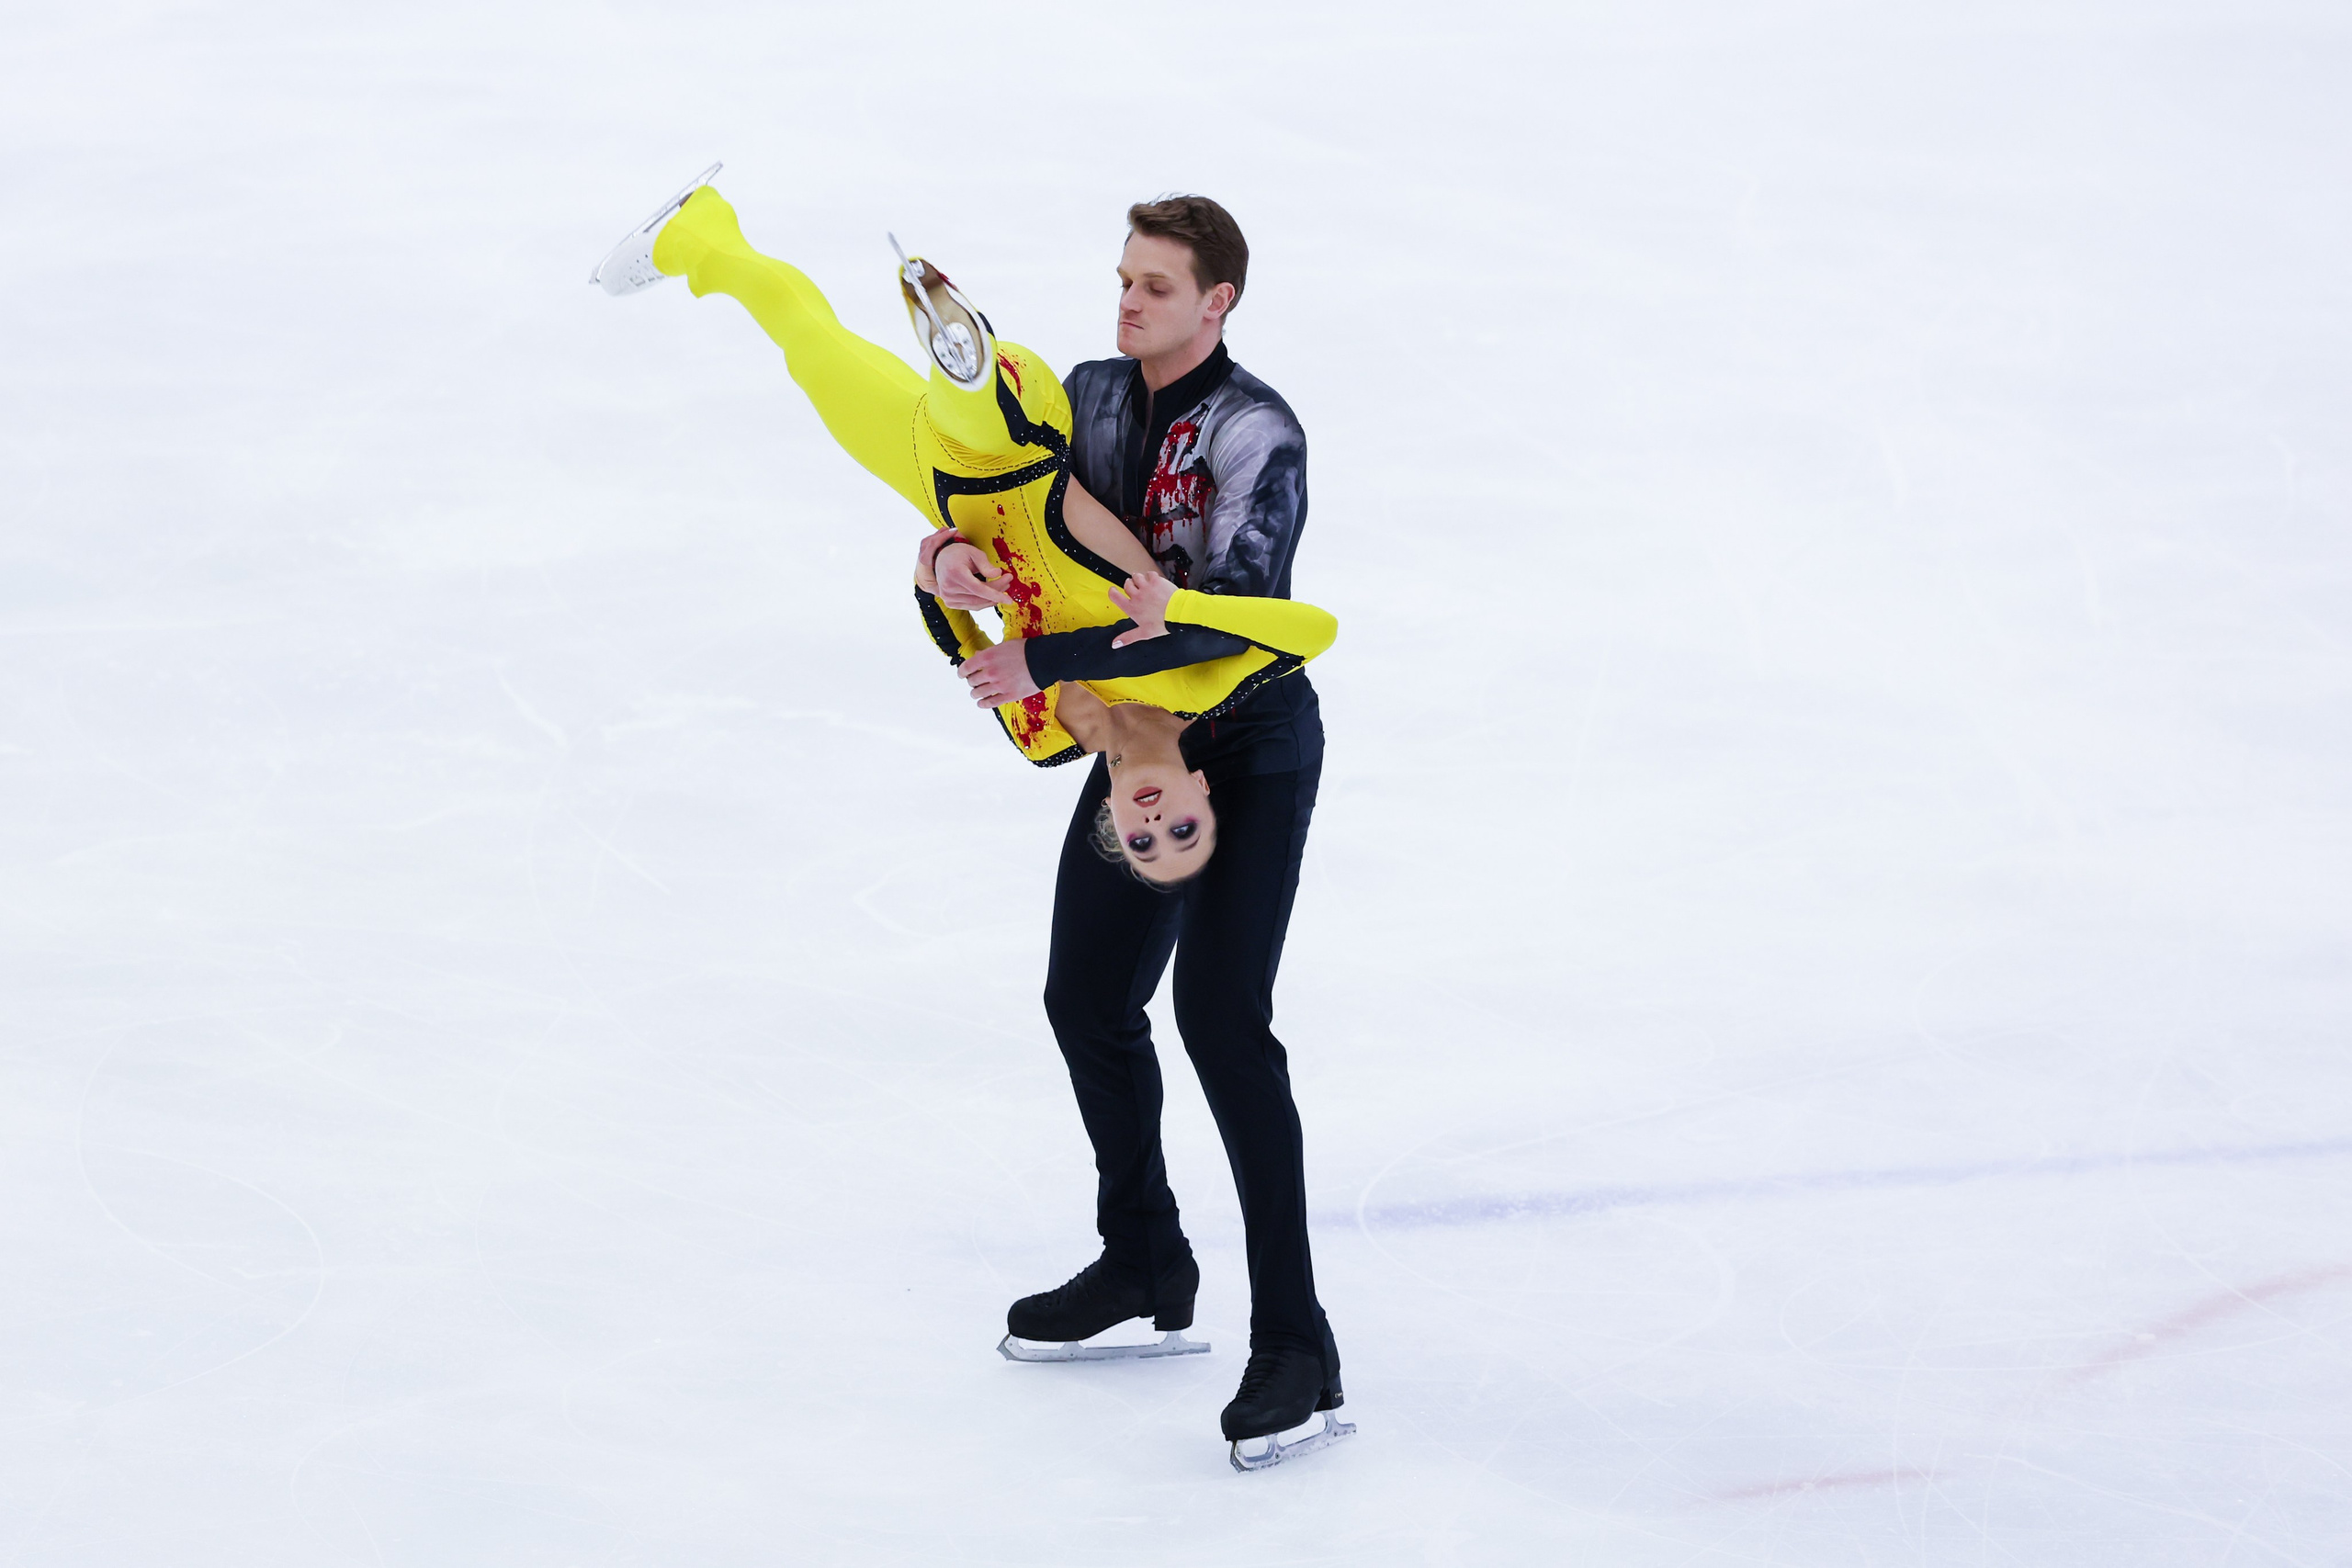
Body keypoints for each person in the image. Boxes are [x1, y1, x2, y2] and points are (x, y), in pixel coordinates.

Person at [593, 169, 1335, 887]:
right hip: (1018, 447)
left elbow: (957, 636)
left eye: (1141, 842)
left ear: (1108, 815)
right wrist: (1175, 608)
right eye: (1183, 830)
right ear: (1204, 790)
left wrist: (939, 570)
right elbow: (1312, 629)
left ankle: (698, 233)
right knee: (988, 414)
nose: (1155, 820)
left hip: (946, 491)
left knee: (811, 349)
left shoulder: (1041, 738)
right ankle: (967, 357)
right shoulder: (1199, 682)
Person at [937, 196, 1344, 1462]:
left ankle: (1297, 1341)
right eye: (1123, 280)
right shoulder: (1088, 397)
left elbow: (1224, 621)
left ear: (1219, 301)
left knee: (1222, 1015)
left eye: (1157, 286)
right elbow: (1020, 511)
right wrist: (942, 553)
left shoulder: (1257, 433)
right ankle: (1146, 1254)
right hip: (1139, 744)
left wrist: (1040, 655)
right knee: (1086, 995)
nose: (1128, 303)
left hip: (1249, 739)